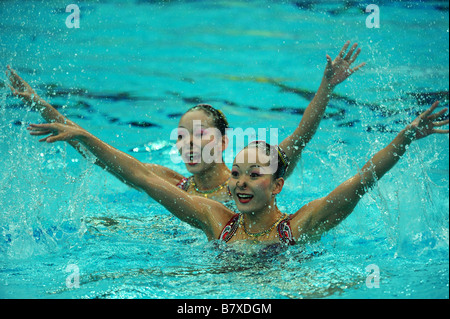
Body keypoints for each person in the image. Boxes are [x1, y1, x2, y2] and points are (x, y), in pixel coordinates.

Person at [26, 101, 449, 245]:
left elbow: (359, 182)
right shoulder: (217, 221)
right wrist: (80, 133)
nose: (242, 183)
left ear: (277, 184)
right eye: (239, 176)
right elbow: (140, 178)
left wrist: (406, 138)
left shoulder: (297, 227)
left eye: (253, 175)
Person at [7, 41, 365, 206]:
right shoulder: (173, 183)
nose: (189, 143)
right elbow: (105, 156)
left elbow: (301, 136)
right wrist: (39, 105)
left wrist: (325, 88)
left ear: (224, 143)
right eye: (183, 136)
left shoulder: (253, 177)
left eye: (200, 135)